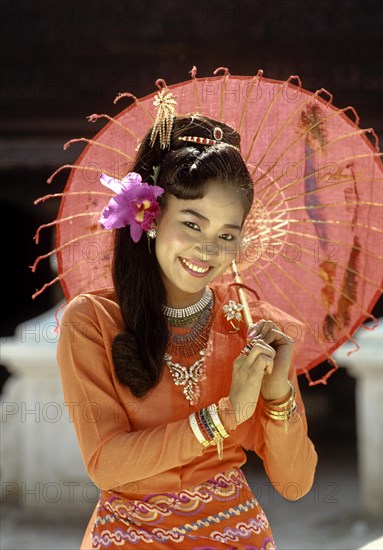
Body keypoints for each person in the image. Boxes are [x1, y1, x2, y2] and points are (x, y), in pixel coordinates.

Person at [57, 98, 318, 549]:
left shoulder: (251, 330)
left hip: (237, 537)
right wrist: (223, 417)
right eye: (192, 225)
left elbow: (295, 484)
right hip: (129, 538)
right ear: (153, 216)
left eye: (226, 235)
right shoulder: (92, 321)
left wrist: (278, 396)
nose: (207, 250)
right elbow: (106, 463)